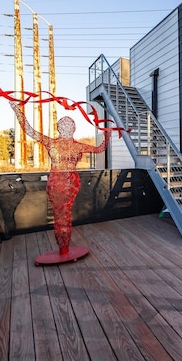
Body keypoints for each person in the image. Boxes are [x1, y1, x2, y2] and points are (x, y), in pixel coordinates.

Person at [10, 102, 110, 255]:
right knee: (62, 215)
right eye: (64, 126)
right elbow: (29, 130)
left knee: (63, 215)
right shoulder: (58, 143)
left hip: (68, 184)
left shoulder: (70, 145)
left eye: (69, 126)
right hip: (60, 184)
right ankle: (63, 246)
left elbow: (99, 149)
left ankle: (64, 246)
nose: (67, 129)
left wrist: (107, 135)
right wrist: (17, 110)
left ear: (73, 129)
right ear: (59, 128)